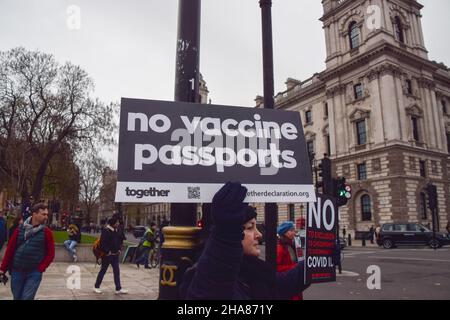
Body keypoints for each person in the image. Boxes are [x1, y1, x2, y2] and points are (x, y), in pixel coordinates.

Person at [180, 182, 309, 300]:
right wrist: (224, 240)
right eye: (249, 227)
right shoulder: (206, 277)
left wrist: (316, 259)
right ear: (228, 231)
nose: (258, 234)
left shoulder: (253, 270)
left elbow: (284, 283)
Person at [0, 203, 55, 300]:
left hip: (34, 272)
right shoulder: (19, 229)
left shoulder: (47, 233)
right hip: (17, 270)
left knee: (26, 298)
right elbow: (10, 250)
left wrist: (41, 268)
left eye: (47, 214)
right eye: (43, 214)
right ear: (34, 214)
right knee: (17, 297)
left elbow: (51, 254)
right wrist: (2, 269)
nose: (46, 217)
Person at [93, 216, 128, 294]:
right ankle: (96, 286)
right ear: (113, 223)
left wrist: (119, 249)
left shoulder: (116, 230)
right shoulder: (106, 231)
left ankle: (118, 288)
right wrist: (107, 251)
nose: (118, 224)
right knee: (103, 271)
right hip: (107, 255)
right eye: (117, 222)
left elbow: (119, 240)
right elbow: (102, 243)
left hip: (115, 255)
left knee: (117, 271)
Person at [276, 221, 303, 300]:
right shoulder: (280, 248)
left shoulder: (290, 245)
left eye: (294, 230)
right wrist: (294, 267)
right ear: (284, 233)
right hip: (287, 283)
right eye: (291, 230)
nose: (294, 232)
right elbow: (276, 267)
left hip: (293, 280)